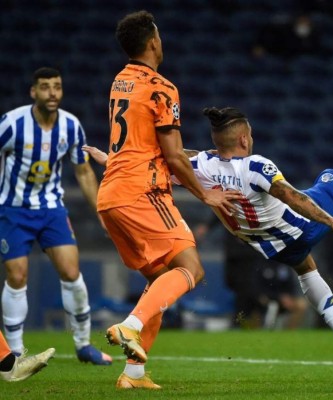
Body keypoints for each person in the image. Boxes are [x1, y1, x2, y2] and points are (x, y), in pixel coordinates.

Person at [85, 106, 333, 367]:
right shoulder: (258, 166)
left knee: (306, 269)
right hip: (302, 227)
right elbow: (294, 198)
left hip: (268, 246)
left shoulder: (200, 166)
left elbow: (174, 156)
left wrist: (113, 160)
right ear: (245, 138)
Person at [96, 11, 241, 390]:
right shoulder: (163, 88)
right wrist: (205, 193)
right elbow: (174, 155)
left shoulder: (120, 82)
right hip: (143, 192)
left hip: (110, 195)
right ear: (153, 42)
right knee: (192, 268)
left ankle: (133, 375)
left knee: (159, 282)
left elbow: (134, 142)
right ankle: (128, 326)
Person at [0, 67, 112, 366]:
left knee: (71, 273)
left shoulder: (71, 127)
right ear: (33, 92)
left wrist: (101, 209)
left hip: (51, 209)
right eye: (45, 87)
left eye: (57, 87)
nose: (52, 92)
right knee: (17, 275)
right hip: (13, 210)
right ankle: (14, 352)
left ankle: (83, 344)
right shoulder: (12, 124)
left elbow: (84, 171)